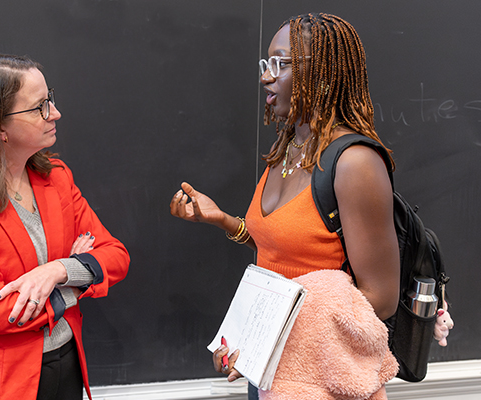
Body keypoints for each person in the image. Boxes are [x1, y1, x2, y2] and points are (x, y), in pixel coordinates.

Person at [170, 13, 452, 399]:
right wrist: (223, 221)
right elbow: (289, 251)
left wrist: (271, 330)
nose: (266, 77)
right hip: (270, 372)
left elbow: (381, 299)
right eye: (265, 64)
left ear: (321, 72)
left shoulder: (356, 163)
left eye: (280, 64)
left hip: (320, 381)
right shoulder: (288, 147)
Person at [0, 54, 130, 400]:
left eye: (50, 100)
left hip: (65, 363)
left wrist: (57, 270)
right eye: (39, 108)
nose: (55, 113)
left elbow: (115, 256)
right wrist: (77, 282)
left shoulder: (56, 178)